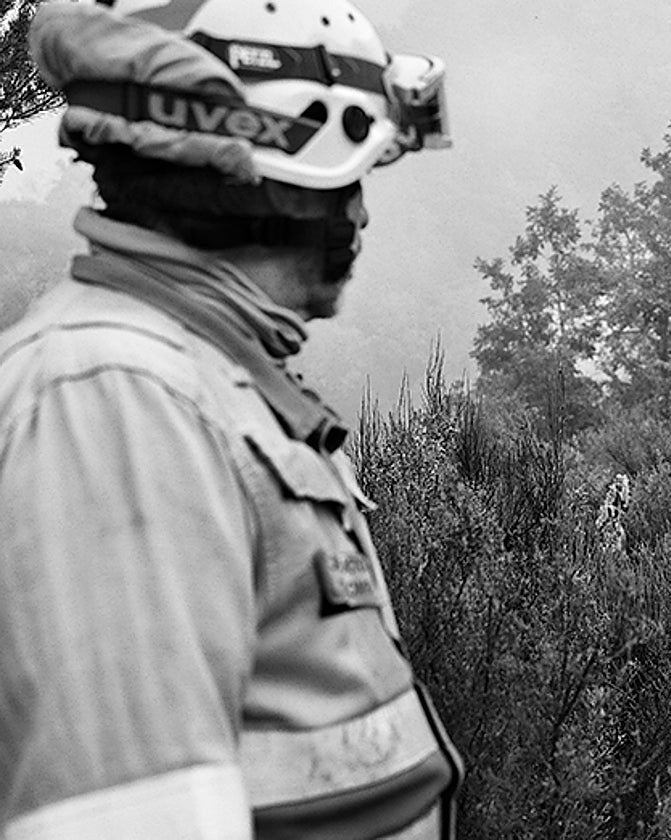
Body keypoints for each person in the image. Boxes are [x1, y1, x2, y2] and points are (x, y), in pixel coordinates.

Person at [0, 1, 460, 838]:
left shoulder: (198, 382)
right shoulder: (118, 402)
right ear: (264, 179)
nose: (359, 216)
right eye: (345, 181)